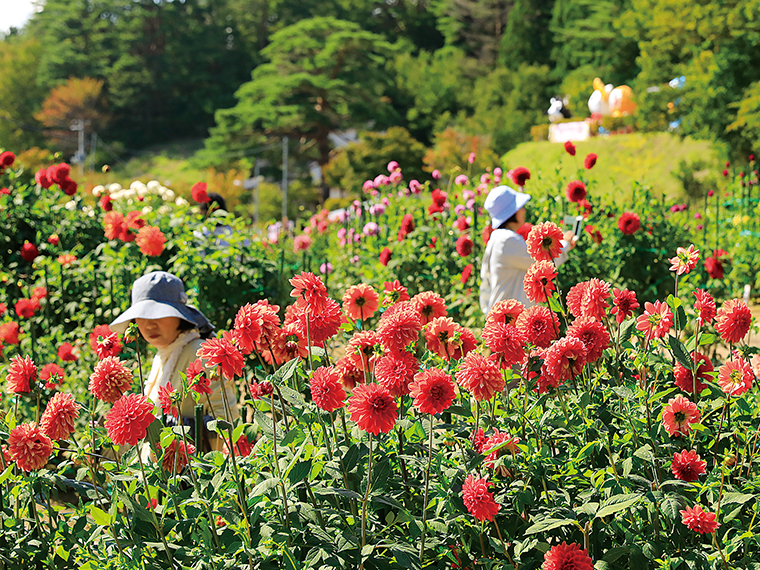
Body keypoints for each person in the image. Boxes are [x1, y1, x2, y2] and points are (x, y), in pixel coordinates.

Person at [110, 271, 239, 450]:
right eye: (143, 316)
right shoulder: (162, 354)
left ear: (179, 316)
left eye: (158, 314)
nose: (149, 324)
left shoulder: (200, 352)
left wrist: (169, 428)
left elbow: (226, 422)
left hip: (195, 473)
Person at [480, 185, 576, 315]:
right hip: (511, 319)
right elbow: (541, 263)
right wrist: (565, 244)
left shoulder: (498, 238)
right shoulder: (507, 240)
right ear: (512, 213)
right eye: (520, 207)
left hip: (508, 315)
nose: (524, 210)